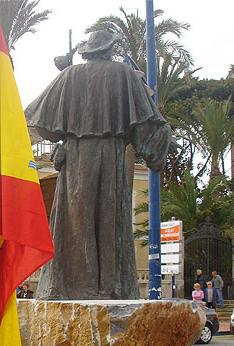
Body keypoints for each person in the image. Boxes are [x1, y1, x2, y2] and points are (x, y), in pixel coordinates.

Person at [26, 30, 171, 300]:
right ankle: (110, 287)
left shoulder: (69, 76)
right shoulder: (124, 74)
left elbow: (40, 122)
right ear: (110, 49)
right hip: (111, 157)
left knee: (74, 221)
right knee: (110, 221)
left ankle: (67, 286)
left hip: (76, 161)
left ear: (88, 52)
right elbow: (148, 128)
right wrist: (161, 138)